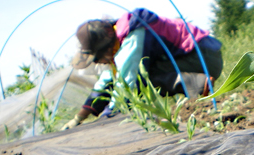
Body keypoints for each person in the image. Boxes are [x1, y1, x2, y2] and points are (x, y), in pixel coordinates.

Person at [61, 8, 223, 130]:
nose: (99, 63)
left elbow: (126, 84)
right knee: (135, 79)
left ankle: (199, 83)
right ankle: (194, 84)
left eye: (97, 58)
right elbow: (106, 82)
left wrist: (106, 119)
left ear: (105, 48)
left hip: (203, 57)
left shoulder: (133, 37)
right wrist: (78, 118)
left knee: (142, 79)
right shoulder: (119, 39)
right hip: (197, 55)